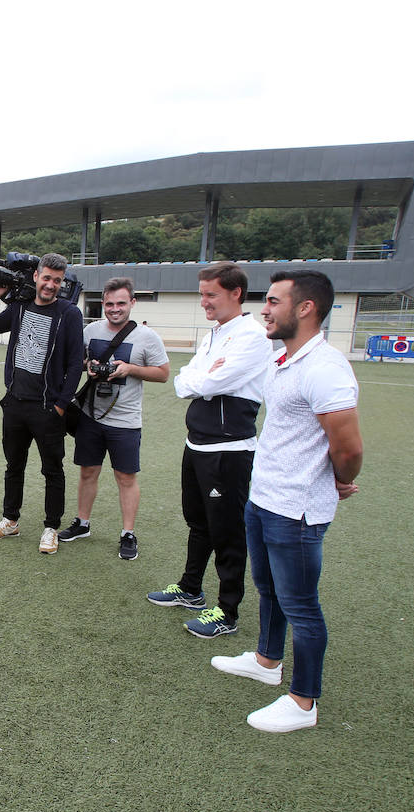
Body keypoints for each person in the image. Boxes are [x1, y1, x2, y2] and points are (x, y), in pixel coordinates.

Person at [210, 269, 363, 733]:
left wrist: (339, 479)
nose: (265, 309)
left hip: (296, 510)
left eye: (274, 301)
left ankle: (302, 702)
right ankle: (266, 660)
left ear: (305, 308)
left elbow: (349, 448)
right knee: (269, 588)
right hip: (264, 497)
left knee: (301, 605)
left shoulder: (325, 368)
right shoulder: (284, 359)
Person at [146, 262, 272, 638]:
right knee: (198, 522)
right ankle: (190, 589)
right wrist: (202, 378)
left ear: (235, 293)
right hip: (196, 443)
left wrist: (203, 378)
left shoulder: (253, 336)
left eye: (210, 295)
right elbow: (185, 382)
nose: (204, 302)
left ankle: (228, 611)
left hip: (229, 450)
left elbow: (212, 380)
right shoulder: (214, 334)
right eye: (202, 294)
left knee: (228, 531)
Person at [0, 254, 84, 553]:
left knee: (52, 470)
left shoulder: (69, 313)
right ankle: (10, 520)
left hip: (48, 408)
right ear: (36, 276)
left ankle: (51, 527)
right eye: (46, 278)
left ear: (62, 283)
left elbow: (76, 364)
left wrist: (61, 405)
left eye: (57, 280)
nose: (50, 285)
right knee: (14, 466)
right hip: (14, 404)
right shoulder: (19, 306)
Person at [58, 277, 170, 561]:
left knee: (125, 477)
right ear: (103, 304)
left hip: (126, 420)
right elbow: (77, 360)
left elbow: (163, 373)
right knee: (87, 472)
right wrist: (90, 367)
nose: (115, 309)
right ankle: (82, 523)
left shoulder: (147, 337)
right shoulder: (91, 330)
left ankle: (128, 533)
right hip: (90, 416)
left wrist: (130, 368)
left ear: (132, 303)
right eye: (109, 303)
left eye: (121, 303)